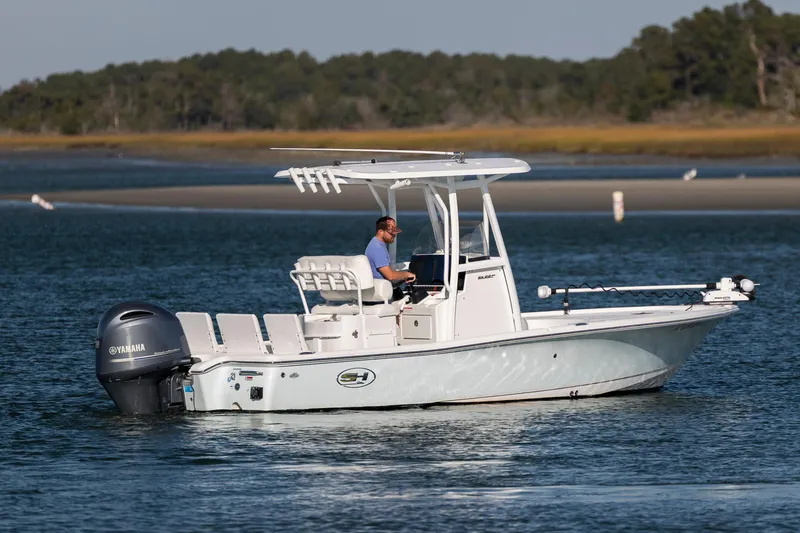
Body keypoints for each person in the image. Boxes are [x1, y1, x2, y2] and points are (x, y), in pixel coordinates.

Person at [365, 216, 416, 284]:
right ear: (381, 232)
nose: (394, 236)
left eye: (394, 233)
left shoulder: (374, 242)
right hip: (382, 288)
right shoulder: (378, 249)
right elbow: (390, 276)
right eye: (391, 233)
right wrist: (407, 274)